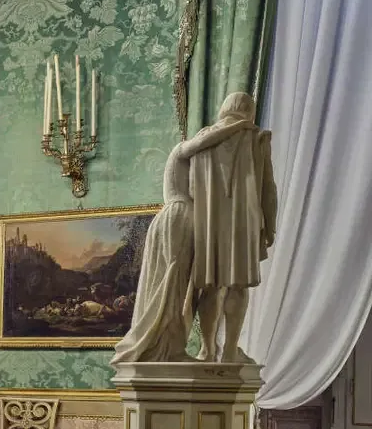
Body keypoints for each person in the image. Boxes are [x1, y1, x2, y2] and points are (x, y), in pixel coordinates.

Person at [113, 93, 275, 366]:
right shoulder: (247, 139)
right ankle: (209, 349)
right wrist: (270, 225)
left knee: (198, 285)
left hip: (195, 221)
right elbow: (267, 190)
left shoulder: (201, 142)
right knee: (199, 285)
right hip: (200, 219)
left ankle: (201, 349)